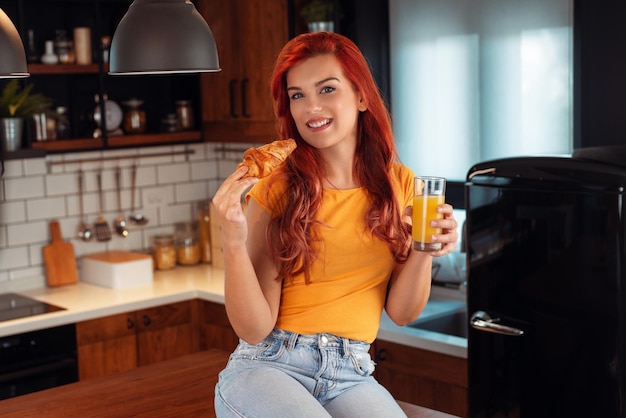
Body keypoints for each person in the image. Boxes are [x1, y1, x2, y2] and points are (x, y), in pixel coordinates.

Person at [212, 31, 459, 417]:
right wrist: (231, 240)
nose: (311, 107)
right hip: (270, 365)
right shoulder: (278, 187)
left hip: (352, 371)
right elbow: (253, 328)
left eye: (327, 89)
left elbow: (403, 313)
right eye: (298, 95)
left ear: (362, 96)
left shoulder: (403, 184)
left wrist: (425, 251)